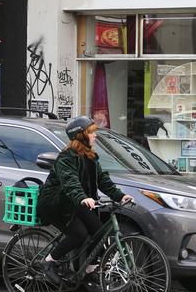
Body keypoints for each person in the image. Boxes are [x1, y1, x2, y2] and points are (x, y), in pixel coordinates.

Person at [36, 116, 133, 290]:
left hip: (75, 202)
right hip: (56, 204)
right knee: (79, 234)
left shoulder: (90, 155)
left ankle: (89, 270)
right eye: (91, 132)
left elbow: (102, 179)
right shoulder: (67, 157)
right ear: (81, 135)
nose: (95, 135)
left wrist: (120, 196)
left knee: (99, 230)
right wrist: (82, 197)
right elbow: (70, 181)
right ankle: (48, 262)